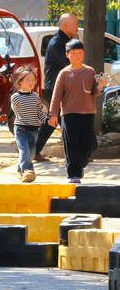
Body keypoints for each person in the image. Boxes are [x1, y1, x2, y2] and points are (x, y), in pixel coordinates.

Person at [48, 39, 109, 183]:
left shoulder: (89, 71)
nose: (77, 55)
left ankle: (80, 165)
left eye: (79, 52)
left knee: (90, 143)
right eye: (73, 53)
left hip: (87, 114)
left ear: (84, 54)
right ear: (67, 55)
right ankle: (73, 174)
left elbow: (94, 91)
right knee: (71, 145)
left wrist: (101, 86)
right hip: (69, 114)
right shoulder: (63, 73)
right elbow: (56, 96)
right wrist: (53, 114)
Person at [34, 13, 80, 162]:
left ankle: (34, 150)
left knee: (55, 122)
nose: (78, 25)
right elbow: (69, 63)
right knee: (64, 120)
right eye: (75, 23)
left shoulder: (65, 42)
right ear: (65, 25)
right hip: (56, 88)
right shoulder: (57, 43)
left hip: (61, 87)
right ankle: (73, 156)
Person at [10, 66, 48, 183]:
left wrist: (47, 120)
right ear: (20, 81)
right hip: (21, 128)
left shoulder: (36, 97)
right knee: (24, 150)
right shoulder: (15, 97)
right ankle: (28, 170)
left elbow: (39, 113)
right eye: (28, 79)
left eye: (33, 80)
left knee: (31, 153)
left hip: (33, 129)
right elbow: (16, 112)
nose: (31, 82)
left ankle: (19, 169)